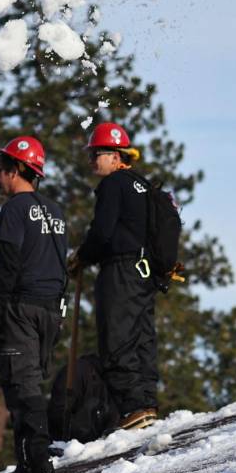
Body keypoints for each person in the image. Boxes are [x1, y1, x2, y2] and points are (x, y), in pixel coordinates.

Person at [0, 136, 68, 473]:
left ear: (17, 170)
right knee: (32, 379)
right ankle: (35, 454)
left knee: (21, 383)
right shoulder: (56, 212)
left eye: (0, 170)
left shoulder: (14, 210)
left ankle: (34, 461)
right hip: (51, 308)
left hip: (22, 306)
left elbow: (9, 262)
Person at [68, 122, 159, 431]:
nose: (93, 160)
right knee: (141, 335)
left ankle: (133, 407)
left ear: (116, 155)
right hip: (144, 270)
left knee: (118, 335)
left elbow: (103, 232)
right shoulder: (142, 184)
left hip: (120, 268)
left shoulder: (113, 184)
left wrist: (83, 255)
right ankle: (146, 401)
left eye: (98, 153)